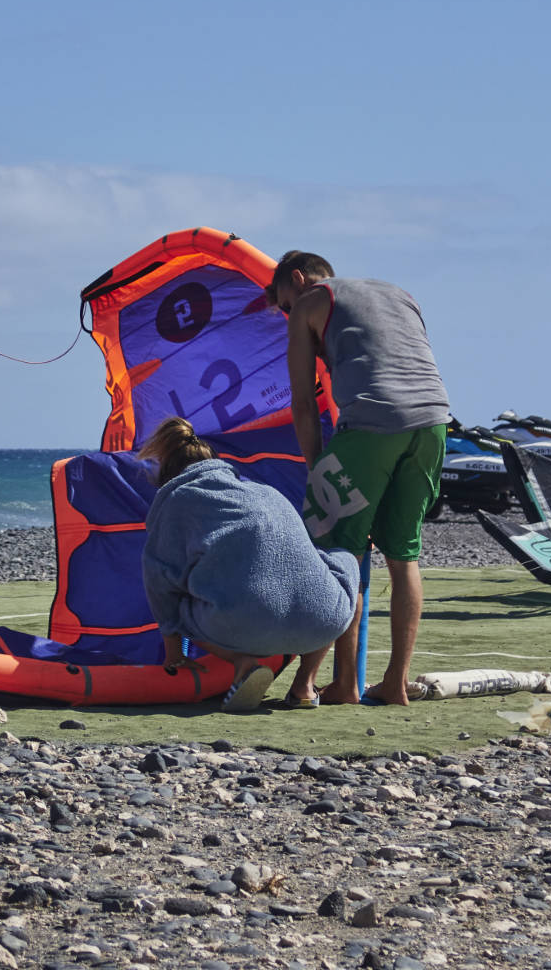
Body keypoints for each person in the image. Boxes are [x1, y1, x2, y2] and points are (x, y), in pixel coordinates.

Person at [267, 251, 452, 706]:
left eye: (283, 304)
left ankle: (338, 682)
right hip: (434, 422)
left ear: (298, 279)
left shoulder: (311, 301)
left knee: (337, 551)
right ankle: (394, 683)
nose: (287, 313)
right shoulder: (398, 294)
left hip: (371, 423)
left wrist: (316, 467)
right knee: (403, 554)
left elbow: (304, 401)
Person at [138, 416, 361, 711]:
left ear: (170, 472)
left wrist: (174, 654)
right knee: (342, 566)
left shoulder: (179, 500)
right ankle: (306, 684)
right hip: (322, 624)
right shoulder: (267, 493)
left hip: (242, 627)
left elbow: (160, 580)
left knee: (176, 604)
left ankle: (242, 663)